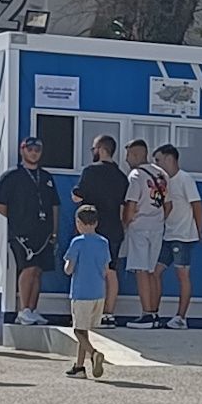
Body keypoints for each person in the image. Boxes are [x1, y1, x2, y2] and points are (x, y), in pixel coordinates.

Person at [0, 137, 58, 326]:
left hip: (43, 233)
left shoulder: (46, 177)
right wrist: (17, 220)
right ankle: (23, 310)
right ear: (22, 150)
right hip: (21, 234)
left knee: (38, 270)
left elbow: (55, 205)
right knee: (27, 268)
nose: (34, 152)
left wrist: (54, 232)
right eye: (30, 149)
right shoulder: (12, 176)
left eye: (37, 149)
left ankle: (32, 308)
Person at [71, 134, 127, 326]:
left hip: (90, 229)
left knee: (86, 269)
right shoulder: (121, 177)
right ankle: (108, 313)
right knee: (110, 271)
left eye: (93, 148)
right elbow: (123, 208)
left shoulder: (90, 172)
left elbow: (77, 197)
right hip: (114, 229)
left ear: (101, 149)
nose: (92, 152)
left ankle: (86, 312)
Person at [119, 139, 168, 329]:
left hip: (139, 227)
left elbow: (131, 204)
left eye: (129, 155)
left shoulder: (136, 175)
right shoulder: (162, 174)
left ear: (137, 155)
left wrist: (125, 223)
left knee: (141, 271)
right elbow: (168, 205)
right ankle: (155, 313)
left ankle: (146, 314)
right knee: (152, 271)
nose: (127, 160)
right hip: (157, 226)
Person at [153, 145, 201, 329]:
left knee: (182, 275)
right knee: (155, 272)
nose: (155, 164)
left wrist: (199, 230)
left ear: (169, 159)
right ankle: (154, 312)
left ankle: (181, 317)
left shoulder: (185, 179)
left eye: (158, 160)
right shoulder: (162, 181)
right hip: (166, 235)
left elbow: (197, 206)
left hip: (183, 236)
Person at [62, 205, 110, 379]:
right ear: (96, 222)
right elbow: (106, 269)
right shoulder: (104, 242)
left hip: (81, 292)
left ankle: (94, 353)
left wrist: (66, 265)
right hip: (98, 292)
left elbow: (69, 268)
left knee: (77, 330)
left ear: (78, 223)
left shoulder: (77, 242)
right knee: (85, 330)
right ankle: (79, 366)